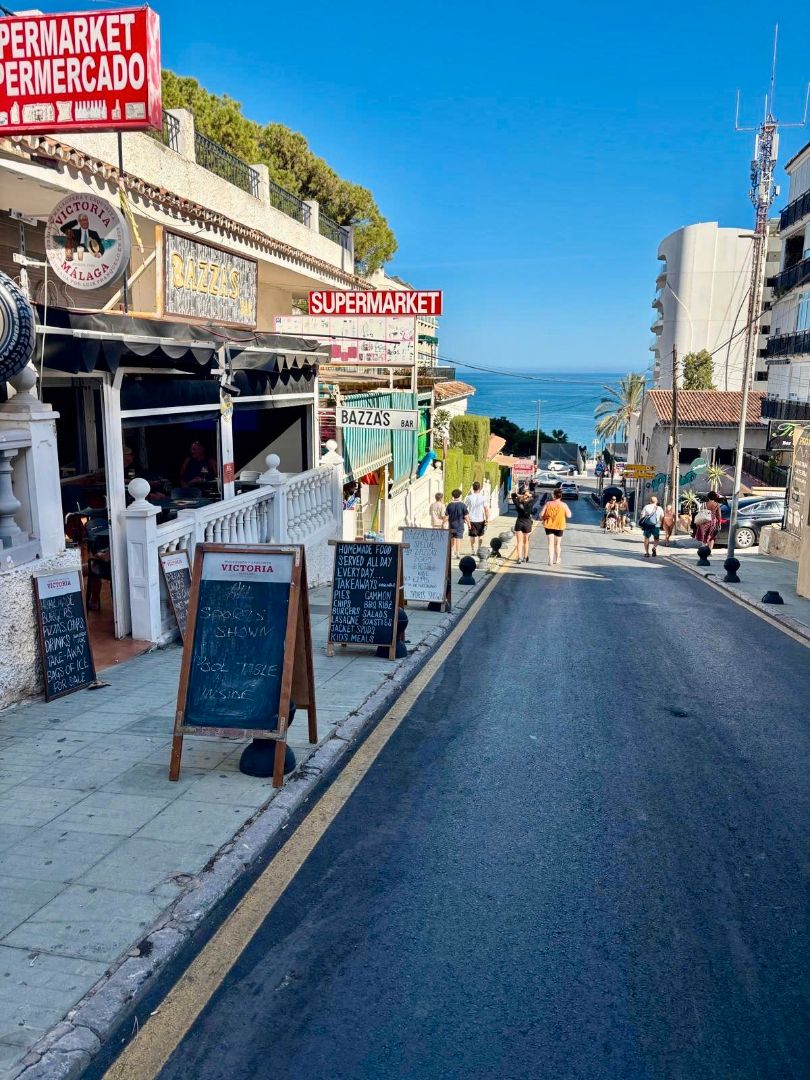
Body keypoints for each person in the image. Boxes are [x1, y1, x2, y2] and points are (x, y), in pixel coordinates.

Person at [541, 486, 572, 566]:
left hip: (549, 526)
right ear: (560, 496)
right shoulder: (564, 505)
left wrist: (544, 518)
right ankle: (557, 559)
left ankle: (550, 560)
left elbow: (541, 514)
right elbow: (569, 515)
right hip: (559, 525)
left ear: (554, 496)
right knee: (557, 544)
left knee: (550, 543)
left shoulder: (548, 504)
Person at [464, 480, 489, 554]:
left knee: (472, 536)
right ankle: (479, 549)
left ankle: (472, 550)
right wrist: (487, 520)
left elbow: (465, 509)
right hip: (481, 519)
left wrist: (465, 518)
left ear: (473, 488)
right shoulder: (483, 498)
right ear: (480, 488)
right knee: (480, 535)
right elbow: (486, 509)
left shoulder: (469, 497)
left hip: (471, 519)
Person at [511, 487, 534, 563]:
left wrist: (520, 495)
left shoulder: (518, 502)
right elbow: (536, 496)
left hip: (519, 522)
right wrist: (529, 495)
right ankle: (525, 557)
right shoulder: (531, 503)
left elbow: (513, 495)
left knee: (519, 542)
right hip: (527, 523)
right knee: (526, 541)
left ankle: (519, 558)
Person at [444, 489, 468, 557]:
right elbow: (466, 516)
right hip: (460, 525)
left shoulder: (449, 505)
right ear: (459, 496)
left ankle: (452, 552)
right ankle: (457, 553)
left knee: (452, 538)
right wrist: (469, 523)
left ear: (453, 496)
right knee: (458, 538)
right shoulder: (463, 505)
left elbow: (446, 516)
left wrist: (444, 523)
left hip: (451, 525)